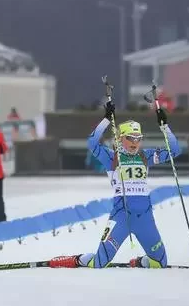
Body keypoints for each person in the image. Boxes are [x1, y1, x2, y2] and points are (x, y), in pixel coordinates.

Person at [50, 99, 181, 269]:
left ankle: (139, 262)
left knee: (160, 263)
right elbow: (92, 143)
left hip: (145, 219)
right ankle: (77, 260)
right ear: (121, 138)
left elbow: (174, 150)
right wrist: (106, 119)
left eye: (138, 138)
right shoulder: (111, 157)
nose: (134, 142)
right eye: (130, 138)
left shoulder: (145, 156)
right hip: (121, 218)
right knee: (99, 263)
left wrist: (164, 126)